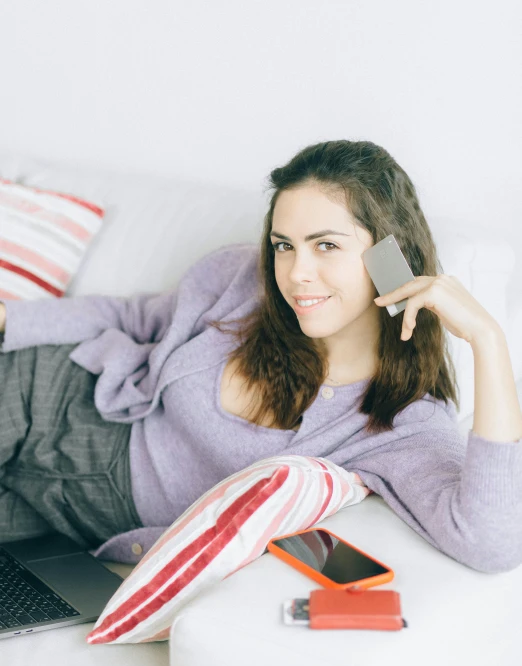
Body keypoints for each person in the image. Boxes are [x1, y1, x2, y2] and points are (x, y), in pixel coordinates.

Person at [0, 140, 521, 570]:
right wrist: (10, 320)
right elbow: (137, 318)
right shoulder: (245, 280)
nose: (296, 273)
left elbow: (492, 544)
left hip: (70, 514)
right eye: (284, 245)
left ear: (391, 258)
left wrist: (489, 341)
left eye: (327, 245)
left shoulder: (400, 424)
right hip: (49, 394)